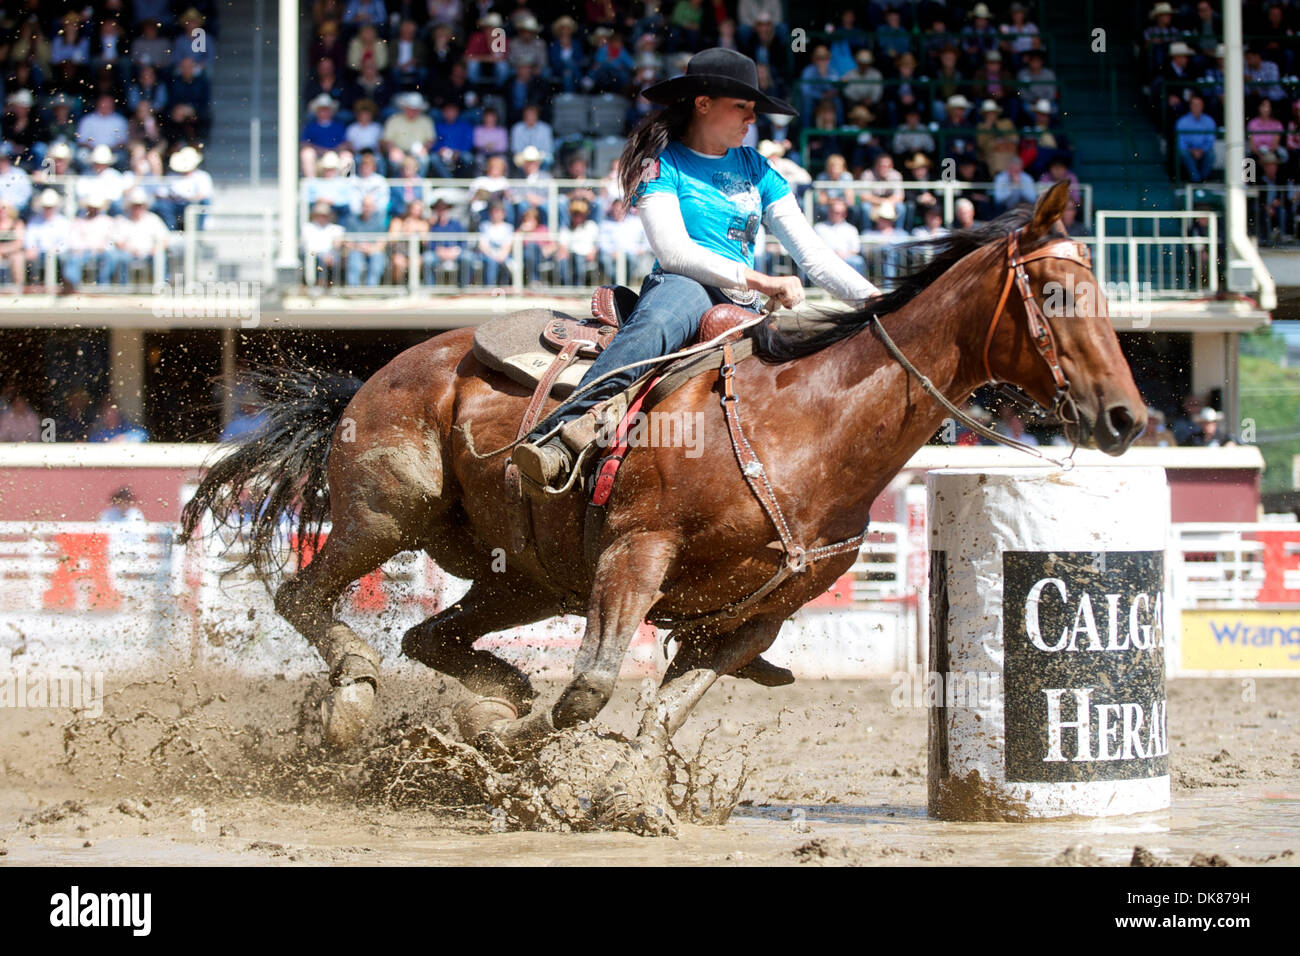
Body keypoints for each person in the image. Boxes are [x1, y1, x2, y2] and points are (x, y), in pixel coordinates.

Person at [513, 48, 880, 487]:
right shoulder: (660, 165)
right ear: (702, 104)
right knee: (656, 323)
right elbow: (675, 254)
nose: (751, 119)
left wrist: (877, 300)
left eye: (753, 110)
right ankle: (558, 434)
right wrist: (762, 279)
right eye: (741, 107)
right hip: (685, 286)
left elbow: (814, 257)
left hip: (743, 299)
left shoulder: (759, 169)